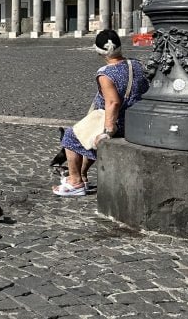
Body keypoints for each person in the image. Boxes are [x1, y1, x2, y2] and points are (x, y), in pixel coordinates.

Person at [53, 29, 149, 197]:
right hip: (137, 117)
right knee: (87, 135)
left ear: (99, 51)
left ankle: (75, 182)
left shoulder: (106, 73)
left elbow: (113, 102)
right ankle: (82, 175)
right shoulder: (137, 64)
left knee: (70, 136)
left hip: (117, 121)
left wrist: (107, 131)